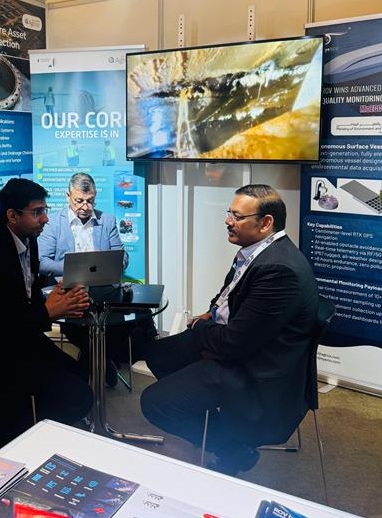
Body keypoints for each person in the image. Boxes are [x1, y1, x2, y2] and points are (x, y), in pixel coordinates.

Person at [141, 184, 319, 476]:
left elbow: (232, 345)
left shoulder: (278, 270)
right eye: (229, 213)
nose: (228, 221)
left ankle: (232, 448)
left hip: (255, 372)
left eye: (237, 216)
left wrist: (200, 326)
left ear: (266, 223)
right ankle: (213, 418)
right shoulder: (258, 252)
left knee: (154, 404)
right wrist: (211, 313)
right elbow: (228, 295)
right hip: (241, 344)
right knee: (159, 353)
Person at [0, 178, 93, 452]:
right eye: (37, 212)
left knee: (78, 372)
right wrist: (48, 311)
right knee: (77, 397)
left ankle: (30, 425)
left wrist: (56, 300)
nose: (45, 219)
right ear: (12, 216)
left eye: (45, 211)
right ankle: (20, 442)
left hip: (16, 342)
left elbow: (27, 293)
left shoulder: (28, 240)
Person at [38, 172, 156, 386]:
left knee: (133, 314)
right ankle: (99, 360)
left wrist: (115, 264)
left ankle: (95, 360)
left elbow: (122, 256)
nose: (85, 206)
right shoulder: (53, 223)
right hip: (70, 290)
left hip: (105, 288)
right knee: (83, 322)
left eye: (90, 201)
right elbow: (42, 261)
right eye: (79, 201)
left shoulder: (107, 220)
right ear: (67, 196)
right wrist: (73, 270)